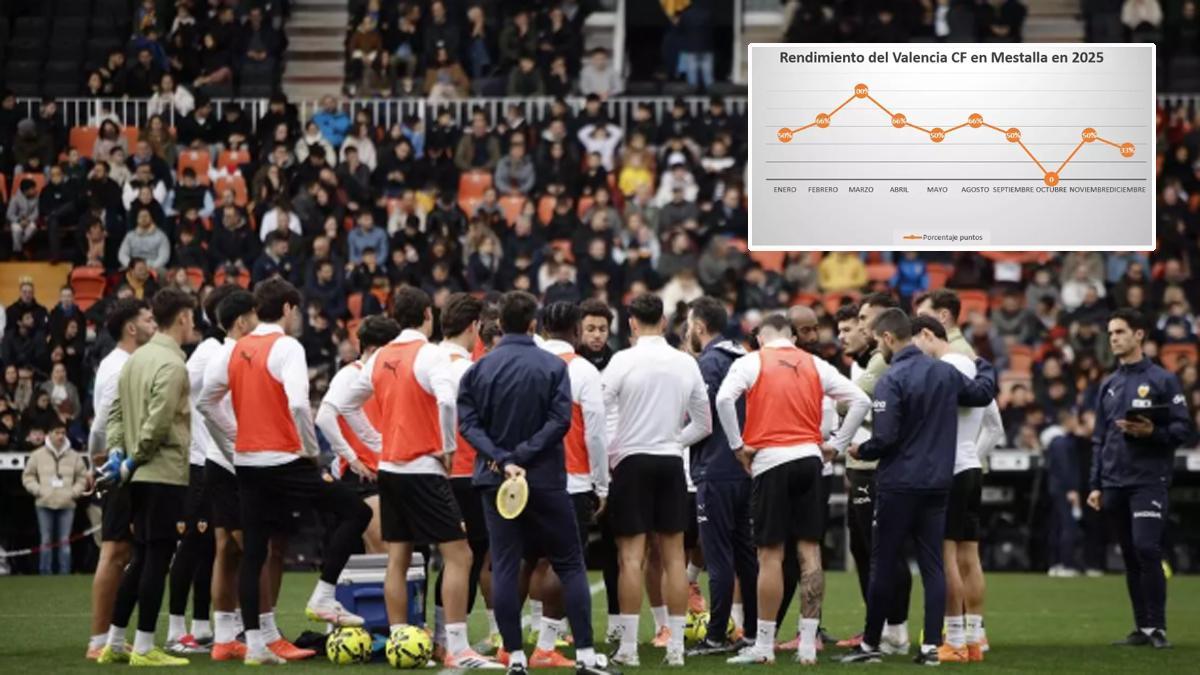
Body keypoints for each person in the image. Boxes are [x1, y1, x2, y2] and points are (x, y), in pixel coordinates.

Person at [198, 278, 371, 666]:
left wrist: (234, 439)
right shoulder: (287, 346)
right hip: (284, 461)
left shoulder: (236, 349)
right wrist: (310, 452)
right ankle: (324, 594)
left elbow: (206, 403)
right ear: (290, 308)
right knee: (357, 512)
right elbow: (297, 405)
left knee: (254, 552)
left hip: (247, 464)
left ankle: (256, 645)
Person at [322, 286, 494, 668]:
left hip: (390, 470)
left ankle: (401, 641)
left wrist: (375, 441)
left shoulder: (380, 355)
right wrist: (448, 447)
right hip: (422, 469)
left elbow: (340, 405)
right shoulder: (428, 353)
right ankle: (458, 648)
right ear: (428, 317)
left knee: (399, 558)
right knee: (460, 555)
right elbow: (448, 400)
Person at [457, 291, 616, 675]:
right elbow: (560, 421)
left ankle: (514, 658)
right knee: (571, 564)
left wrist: (502, 458)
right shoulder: (552, 366)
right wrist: (523, 457)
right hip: (544, 478)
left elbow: (467, 424)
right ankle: (585, 657)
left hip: (495, 480)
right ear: (532, 325)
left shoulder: (478, 368)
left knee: (507, 567)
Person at [841, 308, 997, 666]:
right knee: (933, 566)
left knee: (882, 563)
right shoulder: (945, 372)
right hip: (938, 484)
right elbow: (981, 394)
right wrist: (984, 364)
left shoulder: (891, 379)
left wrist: (860, 449)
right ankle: (930, 648)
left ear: (887, 339)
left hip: (898, 485)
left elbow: (885, 437)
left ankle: (870, 645)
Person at [717, 313, 869, 665]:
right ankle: (806, 645)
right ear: (791, 337)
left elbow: (724, 400)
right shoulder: (814, 362)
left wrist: (737, 446)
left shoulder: (752, 361)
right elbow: (859, 400)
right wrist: (837, 444)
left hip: (771, 460)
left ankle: (764, 646)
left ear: (760, 338)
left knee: (770, 555)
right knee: (810, 550)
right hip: (810, 459)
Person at [200, 288, 311, 662]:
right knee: (257, 550)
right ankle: (264, 632)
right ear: (244, 320)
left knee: (229, 550)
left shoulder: (221, 352)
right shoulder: (239, 350)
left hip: (223, 460)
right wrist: (239, 438)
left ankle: (224, 635)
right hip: (246, 461)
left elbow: (203, 403)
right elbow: (205, 404)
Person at [604, 293, 711, 667]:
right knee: (674, 559)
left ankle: (630, 649)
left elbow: (600, 414)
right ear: (663, 323)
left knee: (631, 559)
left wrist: (613, 454)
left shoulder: (621, 360)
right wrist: (673, 440)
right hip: (669, 462)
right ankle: (677, 648)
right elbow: (704, 422)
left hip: (631, 462)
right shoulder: (685, 363)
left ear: (631, 322)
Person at [97, 288, 196, 667]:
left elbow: (116, 414)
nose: (193, 325)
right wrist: (134, 457)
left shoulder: (134, 360)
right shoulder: (172, 365)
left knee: (140, 558)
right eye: (191, 318)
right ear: (183, 318)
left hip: (135, 475)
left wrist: (120, 453)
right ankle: (143, 646)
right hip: (162, 472)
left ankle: (115, 641)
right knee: (157, 558)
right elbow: (158, 422)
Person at [1087, 308, 1193, 649]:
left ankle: (1158, 628)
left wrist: (1153, 432)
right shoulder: (1109, 383)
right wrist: (1095, 483)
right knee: (1130, 554)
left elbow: (1183, 428)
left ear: (1139, 335)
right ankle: (1142, 629)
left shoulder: (1163, 379)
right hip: (1114, 480)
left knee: (1147, 548)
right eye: (1111, 333)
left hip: (1148, 479)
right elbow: (1099, 438)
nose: (1114, 338)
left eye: (1120, 331)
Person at [909, 315, 1005, 663]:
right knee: (969, 555)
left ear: (926, 335)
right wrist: (972, 457)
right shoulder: (973, 368)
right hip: (970, 469)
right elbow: (996, 426)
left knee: (945, 556)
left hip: (947, 471)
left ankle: (955, 641)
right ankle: (975, 638)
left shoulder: (940, 370)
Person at [531, 302, 610, 666]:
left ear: (542, 327)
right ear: (577, 330)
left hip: (522, 478)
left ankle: (510, 645)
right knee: (565, 564)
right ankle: (546, 644)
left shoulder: (525, 363)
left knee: (519, 560)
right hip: (571, 481)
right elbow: (595, 433)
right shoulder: (581, 370)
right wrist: (601, 483)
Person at [164, 285, 241, 655]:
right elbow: (178, 385)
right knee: (192, 547)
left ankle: (199, 625)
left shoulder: (224, 350)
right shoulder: (209, 351)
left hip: (212, 459)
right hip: (196, 460)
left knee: (212, 545)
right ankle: (175, 629)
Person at [683, 296, 757, 657]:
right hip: (747, 468)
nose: (685, 332)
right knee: (746, 554)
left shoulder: (708, 364)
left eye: (687, 325)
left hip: (716, 469)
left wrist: (671, 440)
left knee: (718, 556)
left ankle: (715, 636)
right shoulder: (744, 358)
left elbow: (702, 421)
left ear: (699, 326)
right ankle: (756, 631)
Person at [85, 299, 156, 660]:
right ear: (132, 328)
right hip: (119, 468)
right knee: (113, 551)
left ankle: (111, 635)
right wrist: (96, 465)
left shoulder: (130, 363)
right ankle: (98, 640)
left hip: (132, 466)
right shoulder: (118, 368)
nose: (153, 323)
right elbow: (102, 424)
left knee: (125, 550)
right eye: (147, 318)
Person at [315, 315, 403, 554]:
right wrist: (351, 458)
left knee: (394, 555)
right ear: (374, 349)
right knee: (383, 553)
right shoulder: (351, 375)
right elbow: (324, 416)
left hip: (386, 472)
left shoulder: (382, 378)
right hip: (364, 478)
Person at [22, 419, 88, 574]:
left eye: (63, 433)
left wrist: (73, 493)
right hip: (44, 503)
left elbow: (82, 477)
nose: (60, 436)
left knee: (65, 541)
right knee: (46, 540)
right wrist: (39, 490)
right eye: (57, 433)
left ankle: (64, 573)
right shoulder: (37, 455)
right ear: (49, 434)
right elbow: (27, 477)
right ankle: (45, 573)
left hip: (67, 504)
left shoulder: (74, 456)